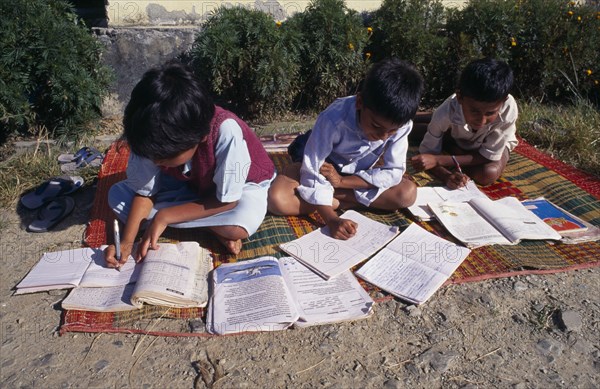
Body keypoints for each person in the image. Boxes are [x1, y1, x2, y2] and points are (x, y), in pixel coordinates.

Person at [104, 61, 275, 268]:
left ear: (200, 138)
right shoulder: (148, 131)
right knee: (117, 196)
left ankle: (188, 221)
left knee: (239, 224)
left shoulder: (226, 131)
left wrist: (165, 216)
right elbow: (145, 193)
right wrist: (126, 242)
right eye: (153, 155)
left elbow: (229, 201)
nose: (156, 161)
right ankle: (209, 226)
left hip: (241, 188)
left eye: (164, 157)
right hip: (190, 185)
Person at [268, 58, 424, 240]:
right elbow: (313, 170)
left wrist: (341, 181)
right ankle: (330, 196)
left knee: (407, 194)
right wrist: (331, 219)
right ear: (359, 102)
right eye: (376, 126)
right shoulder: (333, 119)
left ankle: (326, 198)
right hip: (323, 164)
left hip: (350, 176)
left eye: (391, 132)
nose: (383, 136)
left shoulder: (402, 123)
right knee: (277, 200)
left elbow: (394, 172)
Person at [411, 57, 518, 189]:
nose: (482, 121)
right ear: (460, 97)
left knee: (488, 174)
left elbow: (488, 156)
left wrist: (440, 160)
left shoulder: (508, 108)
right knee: (410, 129)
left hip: (481, 145)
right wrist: (445, 175)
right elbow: (426, 156)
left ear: (503, 101)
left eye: (490, 113)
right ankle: (416, 117)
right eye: (474, 111)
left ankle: (450, 145)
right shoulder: (446, 112)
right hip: (457, 133)